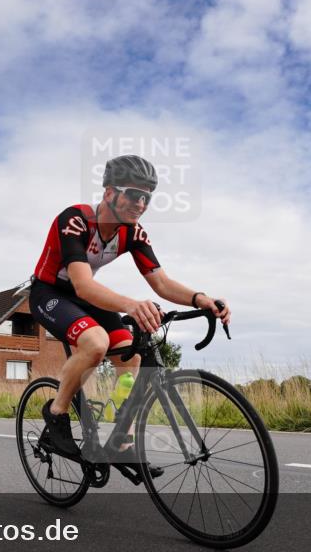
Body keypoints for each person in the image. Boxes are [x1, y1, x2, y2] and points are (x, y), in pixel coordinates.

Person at [30, 154, 231, 460]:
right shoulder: (75, 220)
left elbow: (161, 283)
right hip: (50, 293)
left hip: (85, 297)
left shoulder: (133, 233)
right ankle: (56, 414)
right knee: (96, 343)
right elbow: (83, 284)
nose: (141, 204)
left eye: (147, 198)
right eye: (135, 194)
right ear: (110, 192)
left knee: (132, 356)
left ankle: (120, 436)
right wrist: (131, 305)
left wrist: (200, 299)